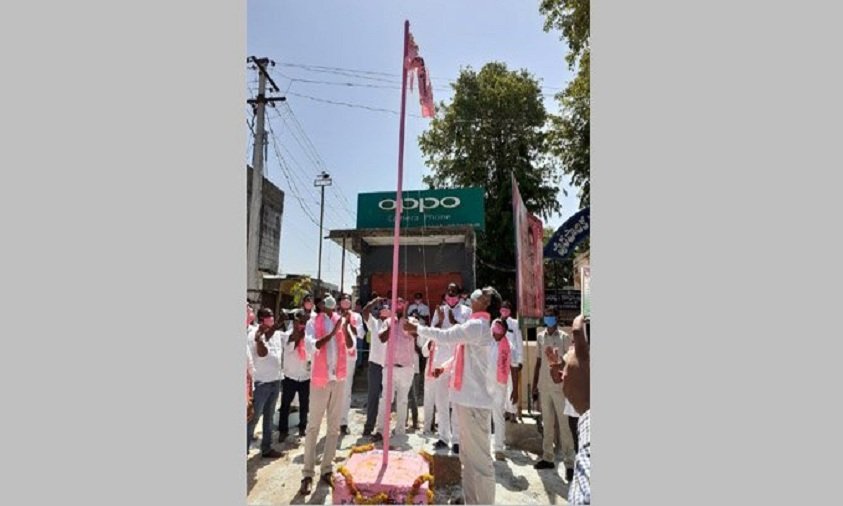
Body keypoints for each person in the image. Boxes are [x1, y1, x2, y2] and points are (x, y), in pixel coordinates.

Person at [404, 286, 502, 506]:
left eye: (483, 293)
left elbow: (447, 336)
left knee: (481, 462)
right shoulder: (475, 325)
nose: (477, 293)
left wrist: (418, 328)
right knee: (466, 458)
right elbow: (462, 354)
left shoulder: (478, 325)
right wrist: (446, 367)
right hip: (466, 400)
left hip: (475, 403)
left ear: (486, 303)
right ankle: (471, 500)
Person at [299, 296, 355, 495]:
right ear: (320, 305)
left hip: (338, 379)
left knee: (333, 427)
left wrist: (345, 328)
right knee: (313, 427)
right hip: (320, 380)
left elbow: (351, 347)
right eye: (325, 302)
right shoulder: (313, 322)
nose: (329, 304)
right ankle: (307, 474)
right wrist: (332, 332)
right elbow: (312, 346)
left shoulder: (340, 320)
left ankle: (327, 469)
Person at [547, 315, 590, 505]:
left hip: (587, 414)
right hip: (575, 411)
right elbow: (558, 376)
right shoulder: (573, 351)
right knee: (579, 447)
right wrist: (553, 364)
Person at [532, 308, 576, 477]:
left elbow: (570, 362)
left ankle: (569, 463)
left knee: (564, 426)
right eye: (547, 316)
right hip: (544, 386)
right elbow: (538, 362)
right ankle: (548, 457)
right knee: (547, 424)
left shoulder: (564, 338)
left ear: (557, 318)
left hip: (560, 387)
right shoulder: (540, 337)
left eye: (551, 316)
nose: (549, 318)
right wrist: (534, 385)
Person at [428, 283, 471, 453]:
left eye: (454, 293)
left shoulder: (466, 312)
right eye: (448, 293)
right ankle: (443, 437)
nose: (451, 296)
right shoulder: (440, 310)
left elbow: (467, 334)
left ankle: (457, 440)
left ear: (459, 296)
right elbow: (433, 333)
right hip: (441, 360)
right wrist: (439, 320)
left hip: (457, 360)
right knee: (441, 401)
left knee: (456, 402)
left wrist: (454, 322)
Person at [371, 297, 417, 441]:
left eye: (401, 303)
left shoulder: (411, 321)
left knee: (403, 400)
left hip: (406, 367)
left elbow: (415, 334)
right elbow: (382, 338)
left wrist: (404, 319)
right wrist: (393, 324)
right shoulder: (388, 321)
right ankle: (381, 430)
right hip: (389, 367)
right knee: (386, 399)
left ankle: (400, 430)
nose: (399, 306)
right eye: (396, 304)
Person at [246, 308, 285, 459]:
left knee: (269, 417)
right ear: (261, 319)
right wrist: (259, 340)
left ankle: (267, 448)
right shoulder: (255, 334)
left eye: (272, 315)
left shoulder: (277, 334)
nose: (271, 318)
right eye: (268, 316)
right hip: (261, 383)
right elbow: (262, 353)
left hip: (275, 381)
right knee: (253, 418)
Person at [277, 310, 311, 440]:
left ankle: (302, 427)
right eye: (300, 322)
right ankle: (283, 430)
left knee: (304, 405)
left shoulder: (309, 336)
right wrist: (297, 334)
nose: (302, 324)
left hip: (305, 376)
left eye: (304, 322)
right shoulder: (287, 335)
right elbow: (289, 347)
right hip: (290, 376)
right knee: (285, 405)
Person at [489, 316, 515, 461]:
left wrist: (515, 390)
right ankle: (485, 446)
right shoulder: (488, 343)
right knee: (485, 416)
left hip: (500, 385)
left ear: (504, 331)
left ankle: (499, 448)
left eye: (498, 329)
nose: (494, 332)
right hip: (486, 385)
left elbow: (514, 368)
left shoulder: (509, 346)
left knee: (498, 416)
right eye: (494, 328)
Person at [361, 296, 388, 436]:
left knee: (387, 398)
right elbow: (365, 312)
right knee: (373, 396)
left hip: (389, 365)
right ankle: (369, 425)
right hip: (375, 364)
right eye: (382, 308)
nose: (384, 310)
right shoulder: (375, 323)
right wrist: (374, 301)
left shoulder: (393, 324)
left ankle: (383, 428)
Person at [338, 294, 364, 436]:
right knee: (333, 390)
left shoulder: (356, 316)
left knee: (346, 390)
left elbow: (361, 334)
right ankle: (333, 420)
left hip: (349, 356)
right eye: (344, 299)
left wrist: (349, 324)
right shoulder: (333, 315)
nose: (346, 301)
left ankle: (343, 422)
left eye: (348, 299)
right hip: (334, 357)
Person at [499, 301, 524, 422]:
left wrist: (520, 360)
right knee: (501, 386)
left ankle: (513, 412)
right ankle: (504, 411)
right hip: (500, 359)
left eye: (506, 309)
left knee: (512, 386)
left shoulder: (515, 323)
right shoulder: (496, 322)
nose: (504, 311)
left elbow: (519, 342)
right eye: (502, 309)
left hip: (512, 359)